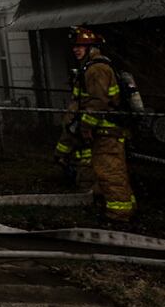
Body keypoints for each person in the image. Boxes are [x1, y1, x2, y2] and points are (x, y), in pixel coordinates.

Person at [57, 26, 134, 223]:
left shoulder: (97, 69)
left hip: (108, 130)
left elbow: (98, 102)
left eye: (81, 46)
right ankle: (121, 207)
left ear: (93, 48)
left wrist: (86, 126)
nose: (76, 49)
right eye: (75, 46)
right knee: (106, 171)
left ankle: (120, 215)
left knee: (111, 172)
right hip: (104, 130)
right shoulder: (88, 68)